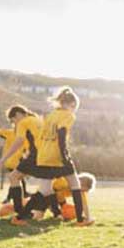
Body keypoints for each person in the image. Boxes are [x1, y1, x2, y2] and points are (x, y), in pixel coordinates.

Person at [11, 87, 94, 227]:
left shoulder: (50, 116)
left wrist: (39, 155)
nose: (74, 111)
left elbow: (43, 138)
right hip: (57, 157)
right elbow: (61, 134)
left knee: (44, 190)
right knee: (75, 184)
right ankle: (81, 220)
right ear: (72, 105)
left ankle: (19, 217)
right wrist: (65, 156)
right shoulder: (68, 115)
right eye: (75, 108)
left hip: (43, 156)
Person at [0, 106, 42, 220]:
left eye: (13, 120)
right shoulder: (38, 119)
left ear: (18, 114)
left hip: (35, 155)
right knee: (46, 185)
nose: (14, 124)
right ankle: (56, 210)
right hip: (45, 154)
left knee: (13, 176)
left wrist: (4, 157)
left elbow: (19, 141)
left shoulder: (24, 122)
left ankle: (21, 211)